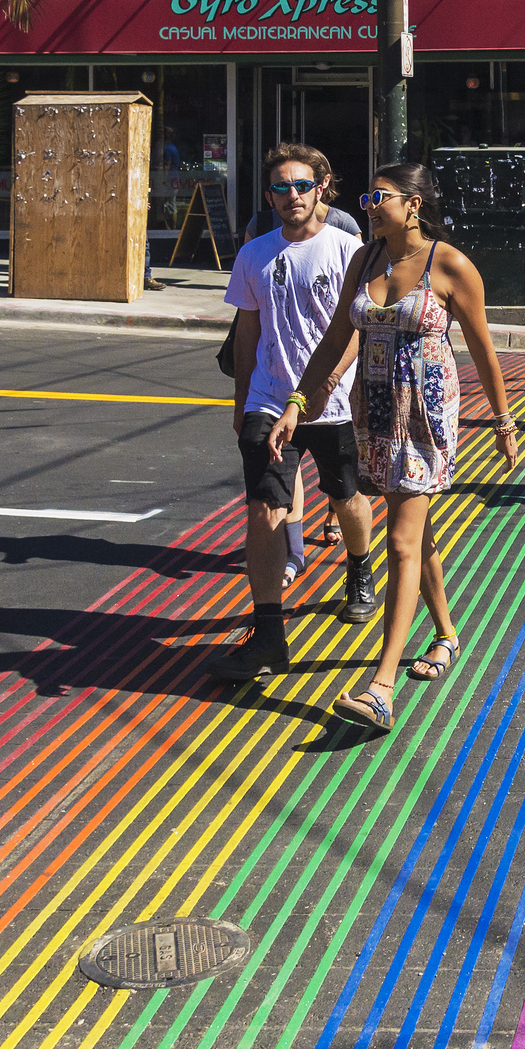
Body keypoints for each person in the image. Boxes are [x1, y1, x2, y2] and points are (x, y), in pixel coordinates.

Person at [267, 162, 521, 731]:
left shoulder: (449, 264)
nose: (369, 205)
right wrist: (297, 403)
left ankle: (381, 688)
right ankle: (448, 636)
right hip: (373, 415)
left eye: (379, 196)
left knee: (401, 542)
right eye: (367, 194)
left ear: (414, 205)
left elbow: (483, 350)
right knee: (417, 535)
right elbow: (337, 339)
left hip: (426, 419)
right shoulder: (366, 258)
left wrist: (504, 422)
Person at [209, 144, 380, 684]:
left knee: (345, 495)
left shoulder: (349, 249)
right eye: (280, 188)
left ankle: (358, 571)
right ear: (269, 197)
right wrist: (241, 404)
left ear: (321, 189)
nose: (292, 196)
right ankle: (269, 635)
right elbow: (247, 336)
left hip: (331, 401)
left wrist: (330, 386)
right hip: (267, 399)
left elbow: (359, 327)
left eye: (301, 185)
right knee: (263, 510)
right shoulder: (254, 254)